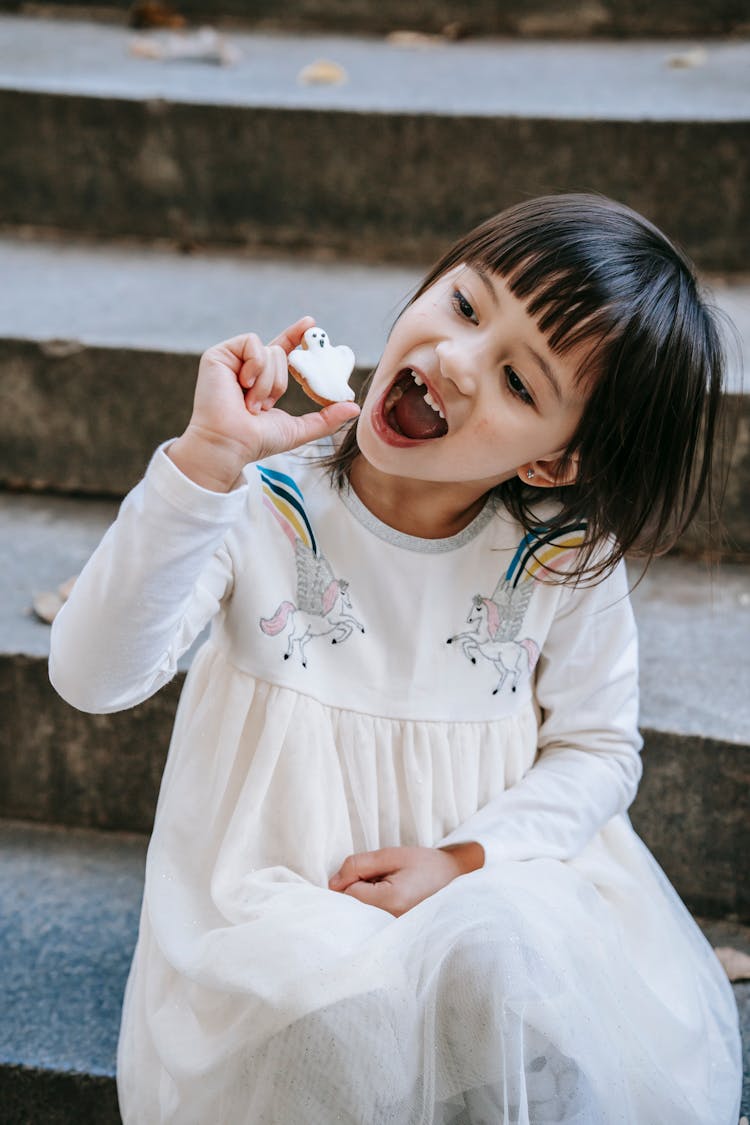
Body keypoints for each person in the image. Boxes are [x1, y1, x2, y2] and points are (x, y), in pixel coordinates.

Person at [49, 194, 741, 1124]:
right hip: (280, 899)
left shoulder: (558, 563)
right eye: (465, 305)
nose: (455, 361)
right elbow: (92, 678)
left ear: (551, 463)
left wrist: (462, 861)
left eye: (520, 384)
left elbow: (599, 750)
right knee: (326, 1005)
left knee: (504, 957)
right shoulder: (255, 500)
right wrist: (205, 463)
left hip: (485, 885)